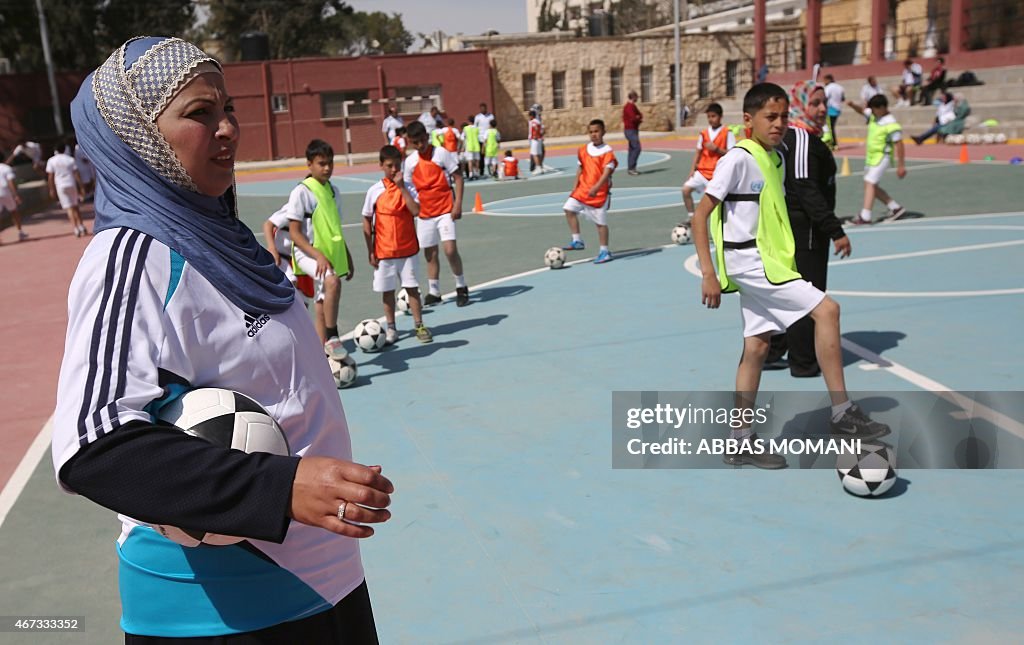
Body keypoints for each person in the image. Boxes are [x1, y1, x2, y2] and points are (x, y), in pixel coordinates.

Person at [53, 36, 392, 643]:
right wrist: (280, 487)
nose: (228, 128)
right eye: (199, 114)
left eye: (227, 108)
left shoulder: (223, 241)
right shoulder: (132, 259)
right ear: (139, 135)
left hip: (328, 579)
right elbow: (94, 447)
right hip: (220, 612)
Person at [691, 82, 890, 469]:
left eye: (783, 116)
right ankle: (842, 414)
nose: (779, 124)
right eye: (770, 117)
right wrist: (707, 272)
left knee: (758, 348)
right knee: (827, 311)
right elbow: (701, 214)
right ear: (748, 120)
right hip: (752, 264)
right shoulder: (738, 159)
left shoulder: (776, 159)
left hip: (764, 262)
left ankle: (740, 442)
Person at [765, 81, 852, 377]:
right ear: (800, 106)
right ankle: (803, 362)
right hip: (805, 233)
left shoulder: (802, 138)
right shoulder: (801, 138)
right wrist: (834, 230)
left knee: (788, 294)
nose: (821, 109)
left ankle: (771, 351)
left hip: (795, 229)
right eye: (814, 103)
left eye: (823, 102)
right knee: (808, 297)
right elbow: (805, 188)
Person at [285, 139, 355, 356]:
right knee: (332, 282)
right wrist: (319, 256)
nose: (327, 168)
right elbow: (295, 233)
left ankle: (320, 351)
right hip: (306, 252)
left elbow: (335, 229)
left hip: (329, 253)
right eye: (321, 163)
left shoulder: (334, 192)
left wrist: (347, 256)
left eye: (330, 163)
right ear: (309, 164)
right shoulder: (302, 192)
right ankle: (333, 336)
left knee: (322, 301)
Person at [362, 145, 432, 345]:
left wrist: (401, 187)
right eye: (389, 166)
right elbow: (366, 219)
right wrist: (371, 250)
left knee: (412, 288)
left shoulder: (408, 187)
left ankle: (419, 324)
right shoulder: (374, 191)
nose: (394, 170)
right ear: (381, 166)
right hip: (384, 251)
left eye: (397, 165)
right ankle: (391, 328)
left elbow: (416, 210)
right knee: (387, 291)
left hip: (407, 250)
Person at [403, 120, 470, 306]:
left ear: (427, 136)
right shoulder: (410, 162)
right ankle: (434, 291)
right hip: (425, 214)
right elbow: (407, 187)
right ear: (410, 142)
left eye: (423, 140)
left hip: (445, 210)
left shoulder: (441, 154)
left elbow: (458, 177)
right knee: (430, 254)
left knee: (450, 250)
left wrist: (458, 204)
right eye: (416, 142)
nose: (420, 144)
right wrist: (413, 207)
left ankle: (461, 286)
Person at [561, 119, 617, 264]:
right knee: (568, 209)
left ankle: (604, 251)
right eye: (591, 132)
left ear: (603, 132)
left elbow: (606, 172)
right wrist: (575, 186)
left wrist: (597, 187)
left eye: (597, 131)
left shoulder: (608, 152)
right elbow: (581, 169)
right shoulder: (584, 150)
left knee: (600, 224)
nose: (594, 134)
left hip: (599, 194)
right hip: (582, 190)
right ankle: (577, 240)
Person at [845, 94, 907, 224]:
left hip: (882, 157)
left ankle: (865, 216)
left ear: (883, 107)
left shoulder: (891, 123)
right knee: (871, 186)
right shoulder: (874, 115)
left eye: (874, 109)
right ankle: (895, 207)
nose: (872, 111)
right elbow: (862, 111)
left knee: (870, 183)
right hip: (871, 157)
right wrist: (852, 105)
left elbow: (899, 145)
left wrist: (901, 165)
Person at [681, 102, 735, 225]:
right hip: (702, 171)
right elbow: (698, 152)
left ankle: (722, 224)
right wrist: (692, 170)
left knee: (718, 203)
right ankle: (691, 216)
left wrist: (716, 149)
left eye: (713, 116)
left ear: (720, 116)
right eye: (709, 117)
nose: (711, 119)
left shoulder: (727, 132)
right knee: (685, 190)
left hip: (717, 173)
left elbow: (732, 154)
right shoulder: (704, 133)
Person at [46, 139, 88, 237]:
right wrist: (81, 187)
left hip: (60, 186)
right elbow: (76, 174)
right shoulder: (70, 159)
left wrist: (51, 189)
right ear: (65, 149)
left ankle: (76, 228)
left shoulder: (51, 161)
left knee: (69, 208)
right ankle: (81, 225)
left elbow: (50, 176)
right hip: (71, 184)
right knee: (75, 206)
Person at [0, 155, 26, 242]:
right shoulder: (6, 168)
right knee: (14, 211)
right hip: (5, 191)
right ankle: (20, 231)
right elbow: (10, 181)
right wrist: (15, 195)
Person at [622, 90, 643, 175]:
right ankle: (631, 167)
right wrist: (638, 118)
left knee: (632, 149)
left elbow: (640, 114)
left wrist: (638, 117)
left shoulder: (633, 106)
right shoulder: (629, 107)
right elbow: (633, 118)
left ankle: (631, 168)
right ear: (633, 97)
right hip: (630, 130)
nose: (637, 99)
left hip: (633, 130)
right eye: (636, 97)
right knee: (637, 148)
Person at [822, 74, 845, 149]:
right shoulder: (840, 87)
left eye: (824, 80)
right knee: (832, 127)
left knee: (830, 128)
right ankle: (834, 143)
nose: (824, 82)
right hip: (837, 109)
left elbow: (825, 97)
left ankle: (833, 144)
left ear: (828, 79)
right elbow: (843, 98)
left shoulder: (828, 88)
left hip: (830, 109)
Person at [528, 109, 545, 173]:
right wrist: (540, 135)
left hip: (535, 139)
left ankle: (538, 168)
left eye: (529, 116)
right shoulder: (538, 121)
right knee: (539, 154)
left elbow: (536, 128)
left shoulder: (533, 122)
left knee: (534, 154)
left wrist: (535, 135)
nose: (529, 117)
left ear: (532, 116)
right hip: (539, 139)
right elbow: (542, 130)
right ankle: (540, 166)